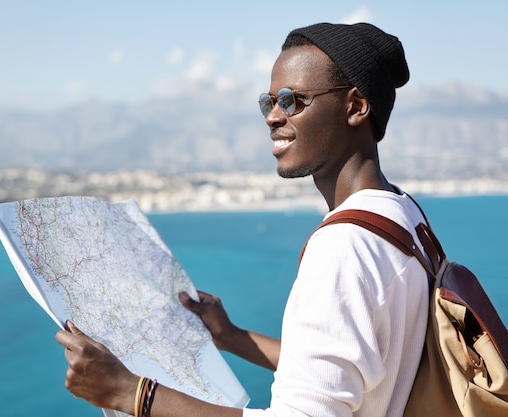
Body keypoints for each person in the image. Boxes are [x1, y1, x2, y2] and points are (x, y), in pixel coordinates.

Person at [56, 21, 430, 417]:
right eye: (269, 102)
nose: (272, 117)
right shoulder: (401, 215)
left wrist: (130, 392)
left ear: (355, 106)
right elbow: (347, 367)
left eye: (292, 100)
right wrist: (231, 337)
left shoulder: (342, 250)